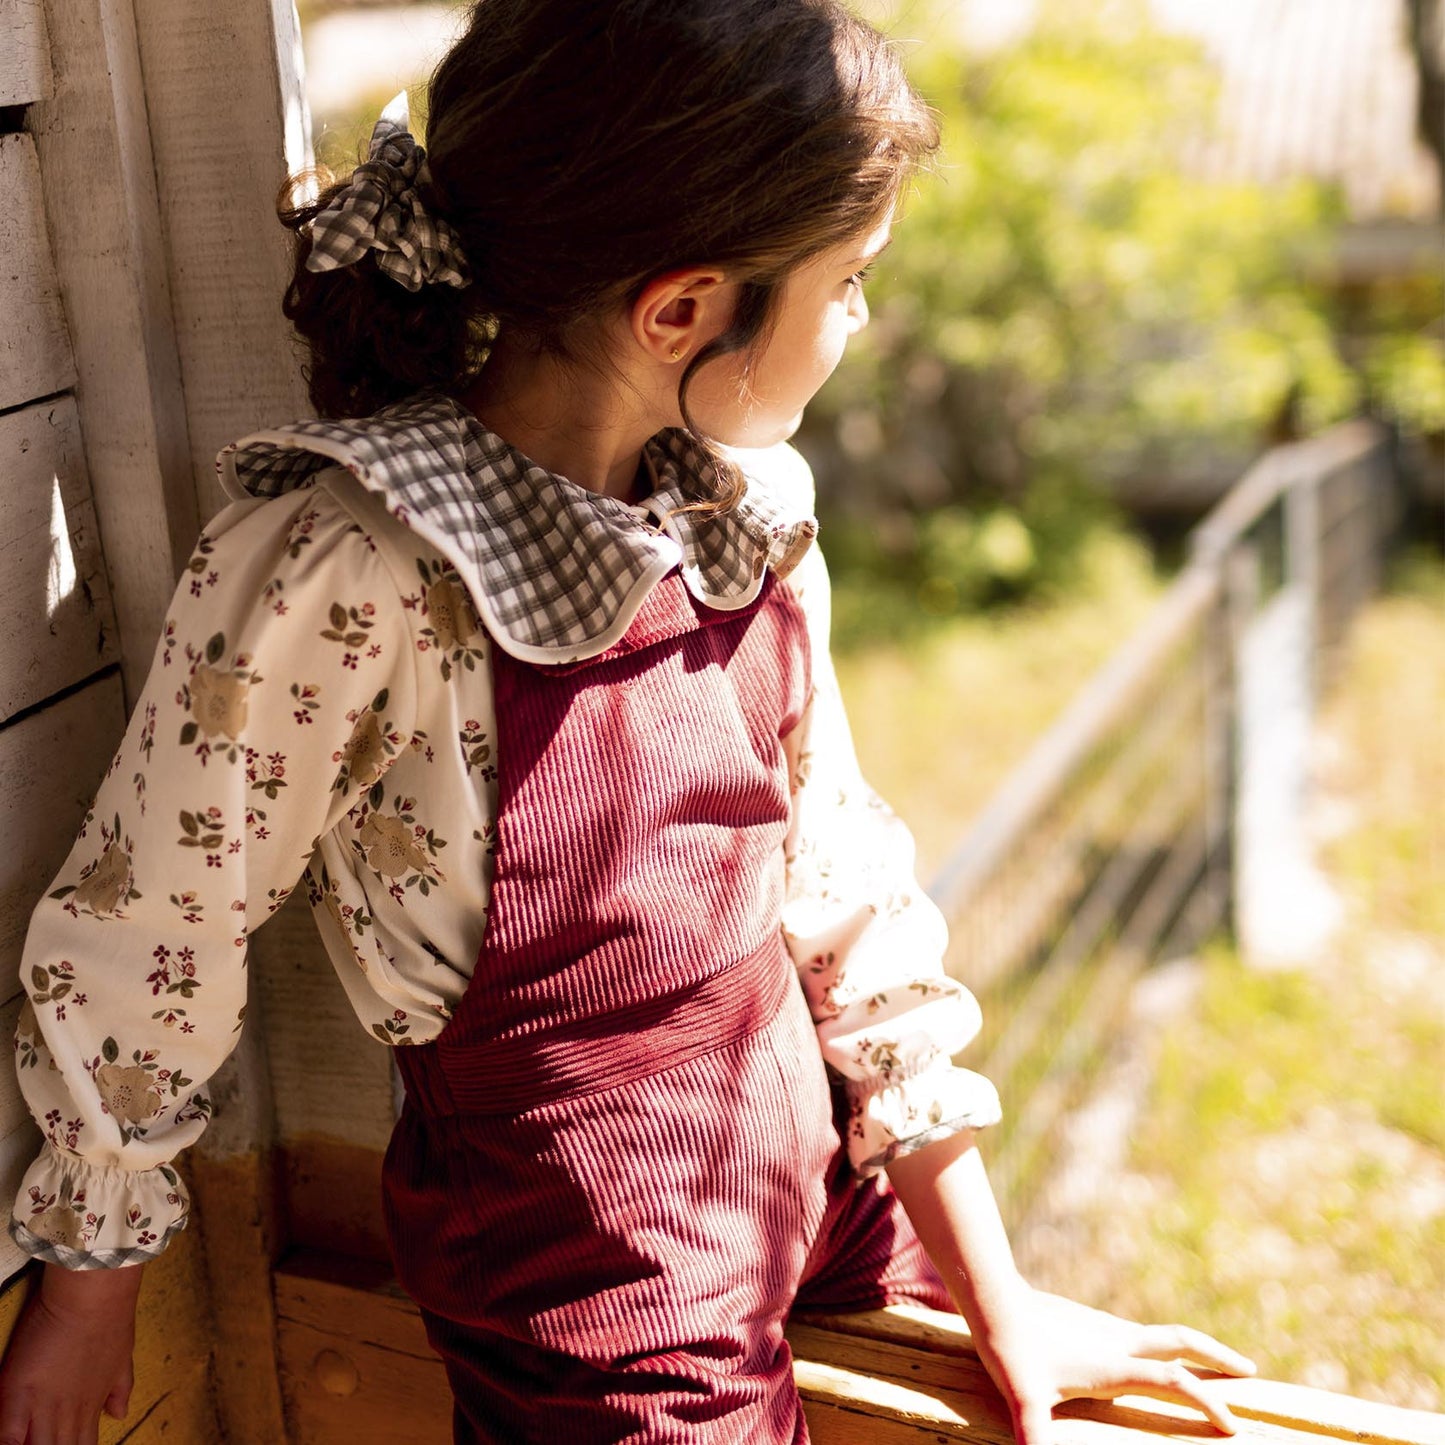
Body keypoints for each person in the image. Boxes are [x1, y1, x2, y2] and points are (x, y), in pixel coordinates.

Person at [0, 2, 1255, 1441]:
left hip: (814, 1181)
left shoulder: (746, 515)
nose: (861, 318)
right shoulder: (356, 570)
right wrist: (94, 1277)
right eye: (847, 281)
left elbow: (846, 894)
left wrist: (992, 1285)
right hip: (598, 1283)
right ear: (679, 310)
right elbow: (159, 912)